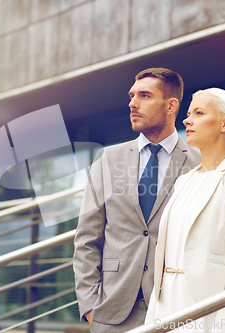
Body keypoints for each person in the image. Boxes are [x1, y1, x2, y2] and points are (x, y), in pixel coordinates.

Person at [73, 68, 201, 332]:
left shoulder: (199, 162)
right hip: (111, 311)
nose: (133, 103)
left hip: (177, 309)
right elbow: (86, 239)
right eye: (132, 96)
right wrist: (89, 305)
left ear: (171, 105)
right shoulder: (107, 159)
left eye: (144, 95)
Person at [145, 88, 225, 332]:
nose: (187, 120)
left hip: (206, 308)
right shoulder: (184, 181)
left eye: (199, 113)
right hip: (165, 302)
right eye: (188, 113)